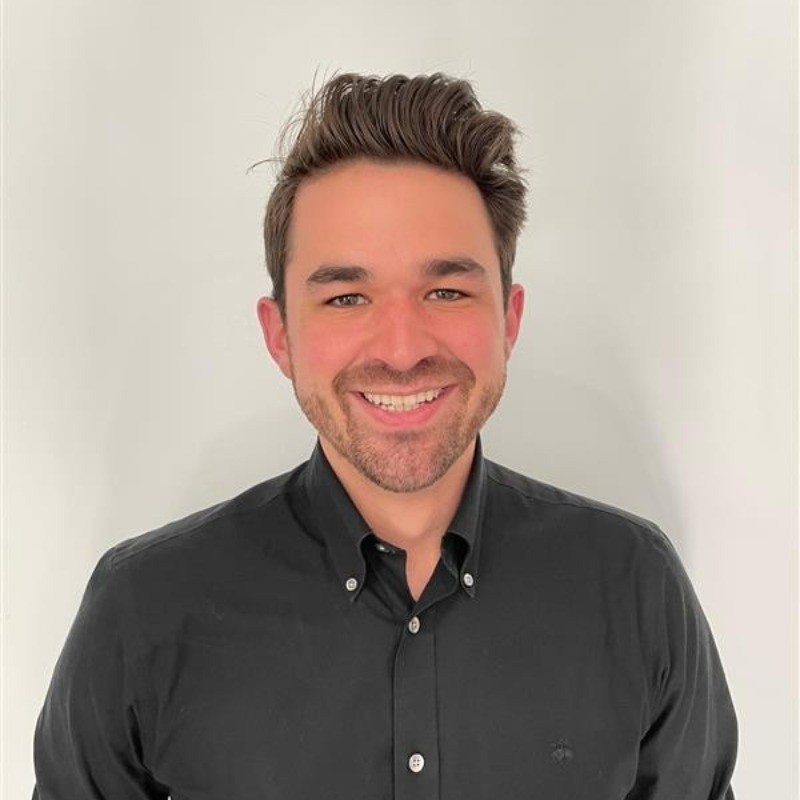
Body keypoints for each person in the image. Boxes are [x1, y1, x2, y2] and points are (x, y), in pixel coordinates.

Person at [33, 72, 737, 799]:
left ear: (509, 319)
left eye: (446, 291)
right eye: (347, 297)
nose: (402, 351)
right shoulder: (143, 608)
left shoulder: (635, 587)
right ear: (280, 336)